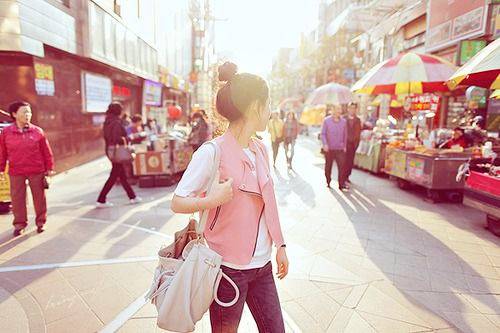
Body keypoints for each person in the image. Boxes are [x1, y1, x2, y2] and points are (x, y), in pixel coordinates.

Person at [171, 62, 289, 332]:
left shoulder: (261, 150)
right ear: (254, 107)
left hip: (263, 267)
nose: (270, 112)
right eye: (268, 103)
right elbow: (177, 202)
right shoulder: (212, 152)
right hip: (227, 269)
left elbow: (269, 202)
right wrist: (211, 200)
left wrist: (280, 244)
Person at [0, 101, 55, 236]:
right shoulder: (6, 132)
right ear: (14, 114)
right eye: (24, 112)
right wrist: (1, 168)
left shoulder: (37, 131)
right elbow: (2, 152)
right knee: (17, 199)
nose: (28, 115)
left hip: (36, 169)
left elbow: (46, 151)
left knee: (39, 198)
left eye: (29, 112)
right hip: (16, 170)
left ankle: (40, 222)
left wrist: (49, 168)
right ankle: (19, 224)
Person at [96, 102, 141, 208]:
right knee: (114, 176)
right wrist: (129, 138)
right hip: (117, 152)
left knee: (121, 176)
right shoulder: (116, 122)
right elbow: (117, 139)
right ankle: (101, 199)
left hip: (111, 151)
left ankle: (132, 197)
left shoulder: (107, 121)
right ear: (117, 111)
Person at [321, 105, 348, 190]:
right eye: (337, 109)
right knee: (328, 166)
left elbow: (345, 134)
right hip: (329, 148)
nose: (338, 111)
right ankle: (328, 181)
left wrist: (344, 146)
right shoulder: (326, 121)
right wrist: (325, 144)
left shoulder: (344, 121)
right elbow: (323, 134)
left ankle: (341, 184)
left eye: (339, 109)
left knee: (342, 166)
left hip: (340, 148)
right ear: (332, 110)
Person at [345, 102, 361, 184]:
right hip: (344, 144)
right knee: (343, 161)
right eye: (350, 108)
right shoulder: (344, 119)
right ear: (348, 109)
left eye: (354, 108)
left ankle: (347, 176)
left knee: (350, 162)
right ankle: (342, 177)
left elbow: (358, 133)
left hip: (353, 144)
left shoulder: (358, 120)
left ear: (356, 110)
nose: (352, 110)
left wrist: (356, 144)